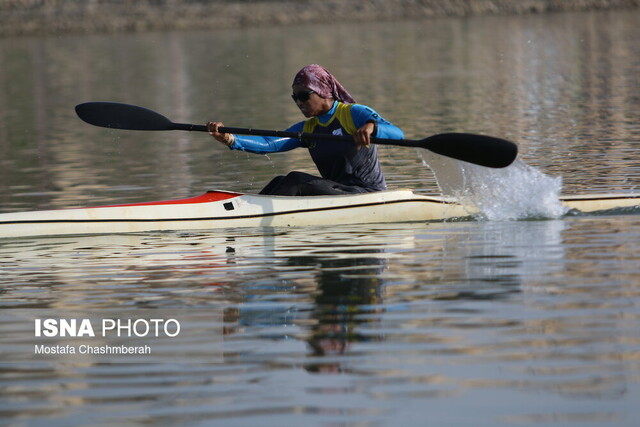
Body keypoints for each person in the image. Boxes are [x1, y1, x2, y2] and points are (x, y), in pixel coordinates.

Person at [207, 64, 404, 196]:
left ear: (323, 91)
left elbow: (398, 134)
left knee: (296, 180)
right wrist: (230, 139)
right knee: (280, 180)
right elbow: (269, 144)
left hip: (367, 194)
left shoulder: (353, 113)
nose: (299, 102)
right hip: (339, 194)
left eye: (303, 95)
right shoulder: (308, 128)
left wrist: (371, 128)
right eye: (294, 98)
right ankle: (246, 210)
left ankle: (249, 216)